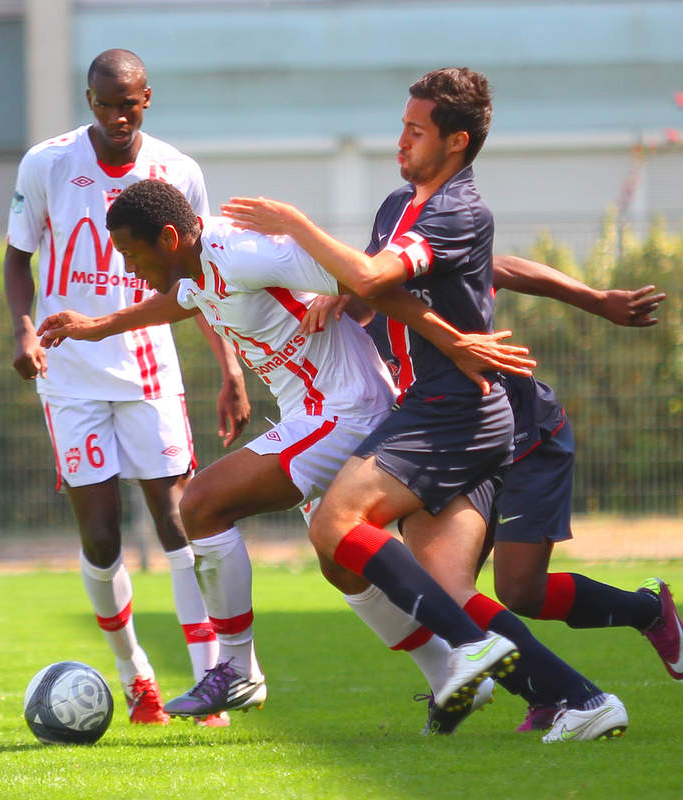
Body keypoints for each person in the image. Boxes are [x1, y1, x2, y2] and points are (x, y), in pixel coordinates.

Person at [37, 179, 626, 743]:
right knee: (341, 564)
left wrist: (437, 334)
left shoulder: (242, 251)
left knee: (201, 502)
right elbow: (181, 301)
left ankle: (238, 669)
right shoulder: (195, 270)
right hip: (313, 414)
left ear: (170, 237)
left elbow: (368, 281)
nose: (126, 267)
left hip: (345, 409)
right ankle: (466, 676)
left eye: (131, 253)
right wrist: (100, 326)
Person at [222, 66, 633, 740]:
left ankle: (467, 652)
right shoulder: (398, 203)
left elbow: (374, 273)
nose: (402, 141)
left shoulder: (459, 211)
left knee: (333, 523)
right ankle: (581, 701)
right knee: (446, 585)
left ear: (456, 142)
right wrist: (347, 296)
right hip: (439, 405)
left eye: (416, 132)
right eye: (403, 128)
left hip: (453, 409)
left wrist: (295, 225)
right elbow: (373, 286)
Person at [3, 49, 250, 727]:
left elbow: (198, 280)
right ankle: (135, 674)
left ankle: (209, 684)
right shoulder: (47, 163)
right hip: (71, 375)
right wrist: (24, 330)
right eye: (106, 104)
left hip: (148, 368)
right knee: (104, 538)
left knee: (179, 522)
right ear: (90, 102)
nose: (119, 115)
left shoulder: (178, 171)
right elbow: (17, 257)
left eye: (130, 103)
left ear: (148, 100)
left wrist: (228, 367)